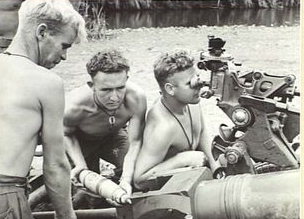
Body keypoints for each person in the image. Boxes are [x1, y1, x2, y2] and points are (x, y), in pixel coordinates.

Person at [0, 0, 87, 219]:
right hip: (2, 197)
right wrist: (65, 218)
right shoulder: (46, 82)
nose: (65, 56)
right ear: (42, 32)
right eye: (64, 45)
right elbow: (56, 164)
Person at [63, 50, 147, 202]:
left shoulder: (136, 98)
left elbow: (135, 142)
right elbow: (65, 134)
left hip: (113, 137)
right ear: (92, 85)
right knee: (86, 195)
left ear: (127, 79)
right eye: (106, 90)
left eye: (121, 88)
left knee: (137, 174)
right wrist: (80, 164)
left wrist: (126, 179)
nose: (114, 97)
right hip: (81, 142)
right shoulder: (74, 107)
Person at [133, 50, 220, 190]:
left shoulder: (190, 102)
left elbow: (202, 131)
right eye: (188, 83)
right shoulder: (163, 127)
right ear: (170, 89)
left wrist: (215, 165)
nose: (198, 85)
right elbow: (139, 180)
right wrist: (182, 160)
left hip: (189, 179)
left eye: (197, 77)